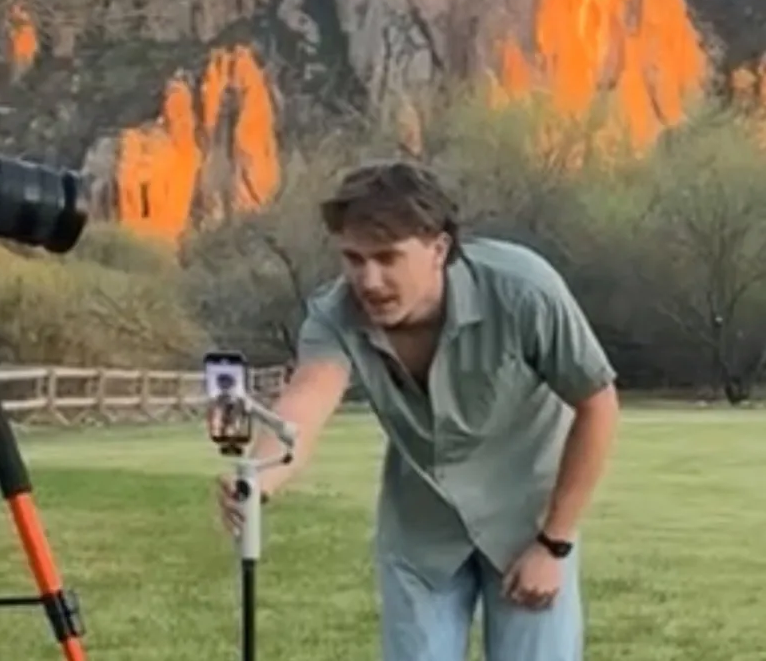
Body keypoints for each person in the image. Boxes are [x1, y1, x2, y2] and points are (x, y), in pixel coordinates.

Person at [215, 161, 619, 661]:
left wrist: (554, 543)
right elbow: (307, 399)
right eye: (353, 258)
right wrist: (259, 480)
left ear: (438, 249)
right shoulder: (334, 315)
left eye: (388, 257)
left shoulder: (524, 289)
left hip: (529, 520)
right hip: (422, 531)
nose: (369, 280)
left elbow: (597, 404)